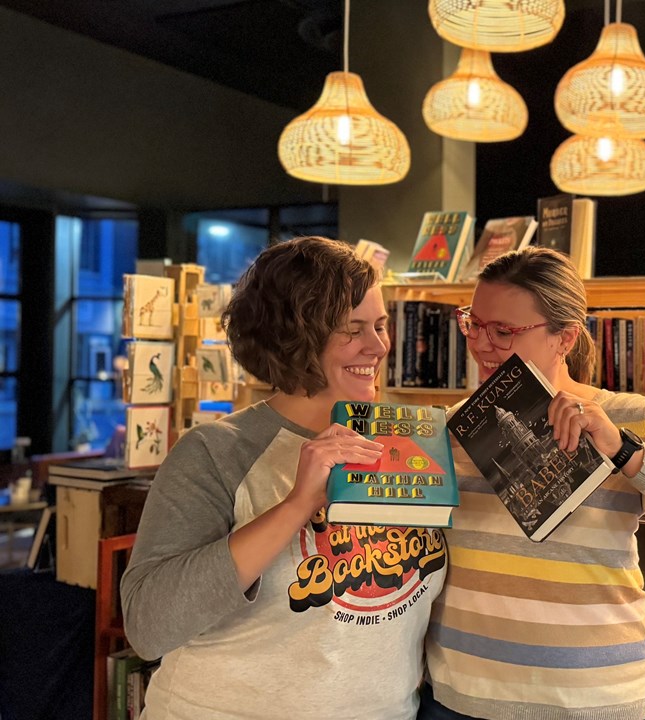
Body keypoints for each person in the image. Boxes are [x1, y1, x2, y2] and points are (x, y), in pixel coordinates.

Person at [421, 247, 645, 720]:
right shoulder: (453, 426)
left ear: (564, 338)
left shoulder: (628, 417)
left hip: (597, 702)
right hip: (461, 699)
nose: (481, 344)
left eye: (503, 332)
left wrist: (625, 452)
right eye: (474, 324)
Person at [121, 237, 447, 719]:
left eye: (380, 325)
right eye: (351, 329)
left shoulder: (414, 440)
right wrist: (296, 505)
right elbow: (149, 624)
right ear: (293, 336)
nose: (378, 346)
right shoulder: (215, 451)